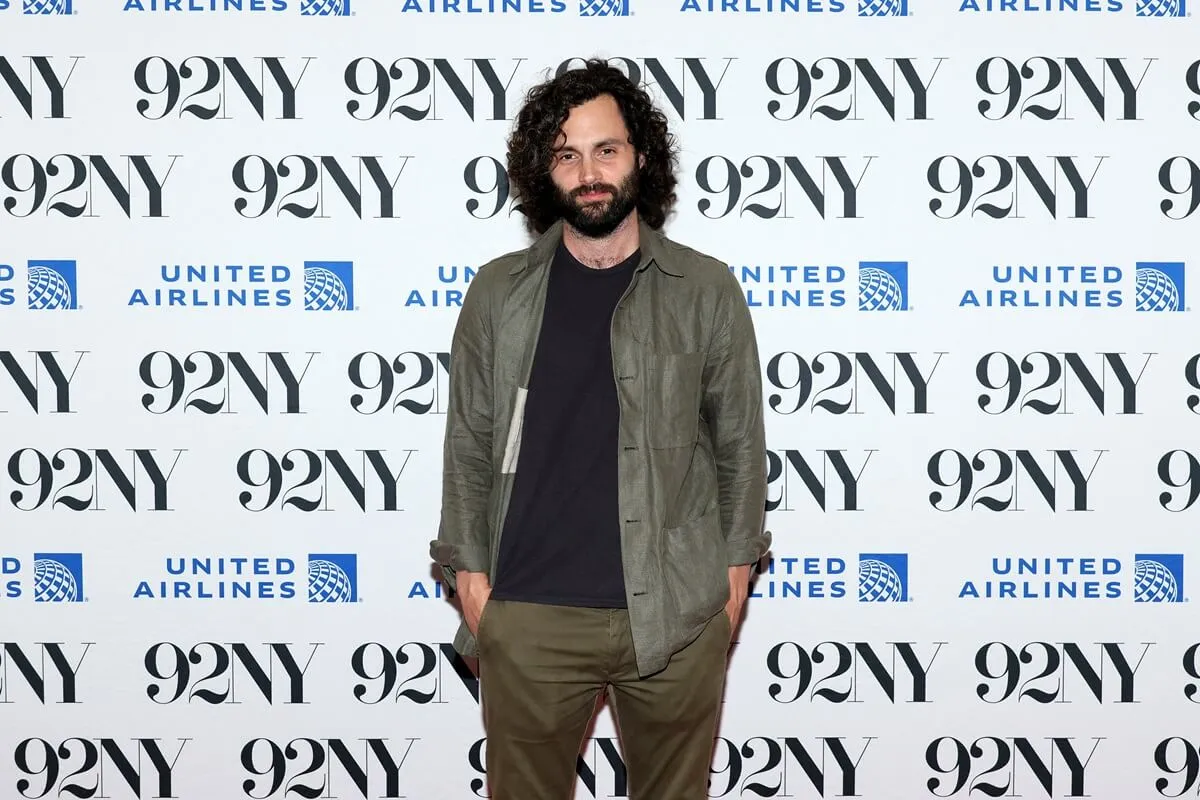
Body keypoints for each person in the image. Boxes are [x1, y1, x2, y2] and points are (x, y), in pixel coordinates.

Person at [429, 58, 770, 799]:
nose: (589, 170)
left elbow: (741, 446)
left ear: (639, 157)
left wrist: (732, 583)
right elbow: (469, 445)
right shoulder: (499, 292)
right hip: (531, 616)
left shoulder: (705, 289)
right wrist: (474, 585)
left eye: (606, 148)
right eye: (566, 153)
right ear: (541, 170)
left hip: (677, 616)